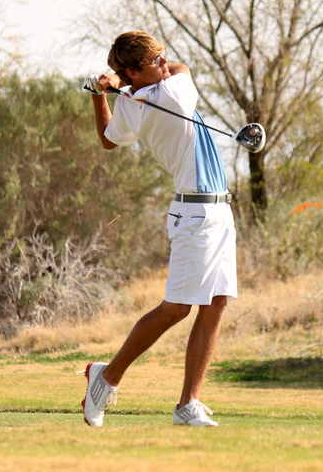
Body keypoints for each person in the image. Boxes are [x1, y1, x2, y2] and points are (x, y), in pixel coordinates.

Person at [80, 31, 237, 427]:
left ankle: (189, 404)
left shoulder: (134, 103)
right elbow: (182, 72)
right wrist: (123, 88)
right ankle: (107, 376)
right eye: (156, 61)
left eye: (163, 56)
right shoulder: (171, 94)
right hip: (195, 215)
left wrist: (105, 93)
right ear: (134, 69)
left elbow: (107, 139)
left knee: (216, 303)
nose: (167, 64)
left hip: (218, 211)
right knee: (177, 308)